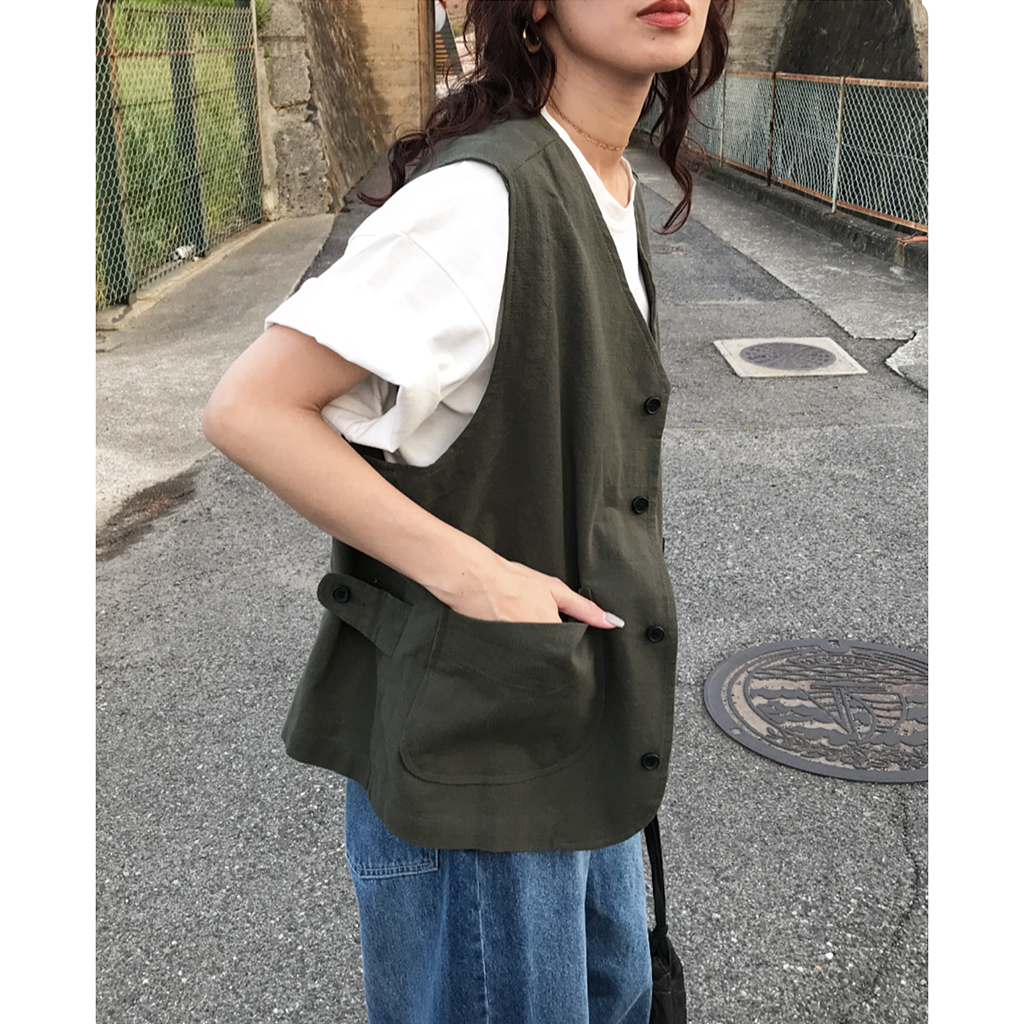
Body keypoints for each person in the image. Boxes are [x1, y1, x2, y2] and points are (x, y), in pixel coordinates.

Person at [203, 1, 731, 1020]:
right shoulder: (482, 200)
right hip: (480, 771)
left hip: (567, 731)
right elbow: (252, 407)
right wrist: (474, 573)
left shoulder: (603, 179)